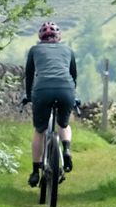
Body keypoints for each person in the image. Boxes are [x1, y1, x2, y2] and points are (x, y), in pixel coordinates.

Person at [22, 21, 77, 187]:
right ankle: (66, 149)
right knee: (63, 124)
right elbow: (73, 76)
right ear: (58, 37)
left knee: (40, 130)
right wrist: (73, 96)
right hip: (66, 89)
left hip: (42, 90)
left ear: (41, 37)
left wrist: (29, 95)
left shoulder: (34, 50)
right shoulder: (68, 50)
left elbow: (29, 75)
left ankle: (35, 171)